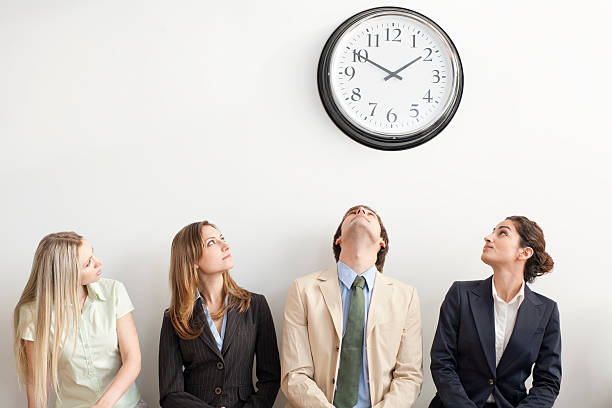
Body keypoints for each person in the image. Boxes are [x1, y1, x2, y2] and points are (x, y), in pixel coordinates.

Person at [281, 205, 423, 408]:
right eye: (352, 213)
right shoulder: (303, 289)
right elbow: (295, 374)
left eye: (370, 214)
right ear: (339, 239)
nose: (361, 212)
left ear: (382, 242)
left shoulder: (406, 296)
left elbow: (409, 376)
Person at [429, 216, 561, 408]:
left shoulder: (547, 311)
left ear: (524, 252)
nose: (488, 237)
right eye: (493, 231)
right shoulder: (460, 294)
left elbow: (548, 382)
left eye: (502, 233)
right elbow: (442, 362)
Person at [13, 232, 146, 408]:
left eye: (93, 255)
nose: (99, 262)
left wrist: (102, 406)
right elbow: (36, 383)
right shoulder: (32, 314)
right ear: (66, 275)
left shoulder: (114, 291)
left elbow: (132, 359)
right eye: (88, 263)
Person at [159, 221, 280, 407]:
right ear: (192, 261)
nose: (226, 245)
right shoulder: (174, 318)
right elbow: (171, 393)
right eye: (212, 243)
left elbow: (270, 379)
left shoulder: (256, 306)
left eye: (222, 238)